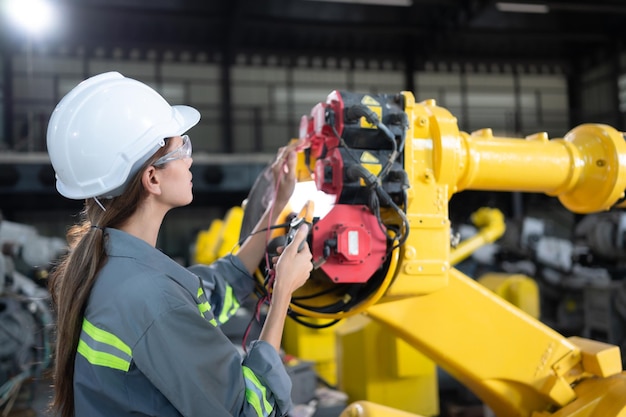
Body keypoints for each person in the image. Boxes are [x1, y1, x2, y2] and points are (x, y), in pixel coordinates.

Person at [46, 71, 313, 417]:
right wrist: (283, 296)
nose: (189, 159)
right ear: (152, 178)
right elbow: (250, 409)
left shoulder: (113, 264)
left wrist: (276, 204)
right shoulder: (149, 296)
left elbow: (210, 294)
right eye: (181, 146)